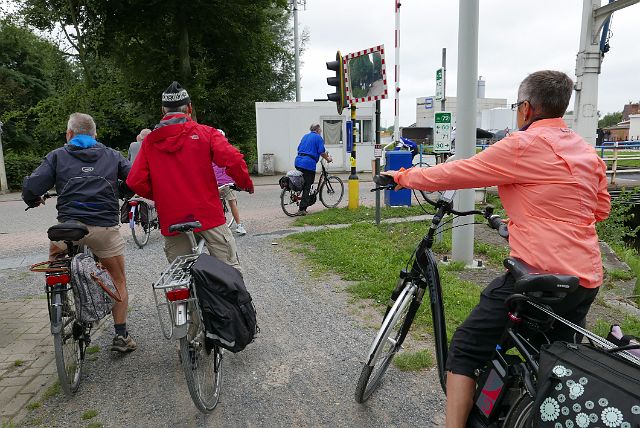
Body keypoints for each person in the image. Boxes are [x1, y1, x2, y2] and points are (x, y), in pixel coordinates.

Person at [382, 70, 610, 427]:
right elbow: (599, 209)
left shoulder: (521, 146)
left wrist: (402, 177)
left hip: (538, 277)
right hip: (586, 280)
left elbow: (457, 172)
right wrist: (524, 218)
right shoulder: (586, 151)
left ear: (525, 109)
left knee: (467, 346)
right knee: (558, 361)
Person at [22, 112, 137, 353]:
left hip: (69, 229)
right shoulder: (112, 155)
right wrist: (123, 191)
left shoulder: (57, 156)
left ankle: (60, 299)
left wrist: (33, 199)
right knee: (117, 279)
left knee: (56, 254)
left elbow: (32, 187)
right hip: (103, 229)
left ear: (69, 134)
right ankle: (121, 335)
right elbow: (135, 180)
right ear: (95, 135)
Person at [126, 81, 253, 271]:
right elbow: (233, 160)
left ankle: (181, 300)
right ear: (189, 108)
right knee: (229, 270)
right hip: (207, 215)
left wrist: (162, 196)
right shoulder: (205, 133)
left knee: (179, 276)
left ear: (163, 110)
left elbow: (135, 180)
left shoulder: (150, 141)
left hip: (173, 218)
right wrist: (245, 183)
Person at [293, 123, 332, 216]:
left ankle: (299, 196)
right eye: (320, 131)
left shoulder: (305, 136)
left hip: (298, 161)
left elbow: (299, 148)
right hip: (308, 164)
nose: (321, 132)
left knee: (302, 182)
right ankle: (302, 209)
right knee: (307, 185)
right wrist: (328, 159)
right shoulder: (318, 138)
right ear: (318, 130)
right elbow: (322, 152)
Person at [213, 162, 246, 235]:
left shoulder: (211, 157)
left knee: (221, 205)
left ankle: (222, 226)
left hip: (219, 183)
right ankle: (238, 225)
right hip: (225, 183)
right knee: (232, 204)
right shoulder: (225, 157)